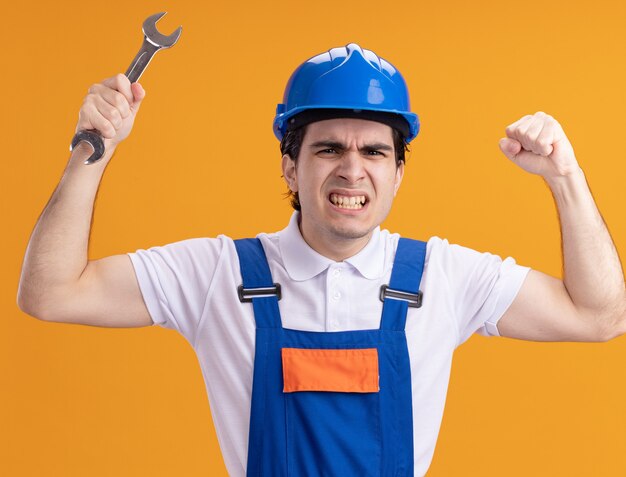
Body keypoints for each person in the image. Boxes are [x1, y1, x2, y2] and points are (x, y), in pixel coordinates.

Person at [17, 43, 626, 476]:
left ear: (398, 172)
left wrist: (565, 177)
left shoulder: (443, 277)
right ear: (290, 163)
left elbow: (601, 317)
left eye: (375, 151)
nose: (352, 169)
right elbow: (51, 292)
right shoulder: (216, 274)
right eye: (328, 147)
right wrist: (91, 152)